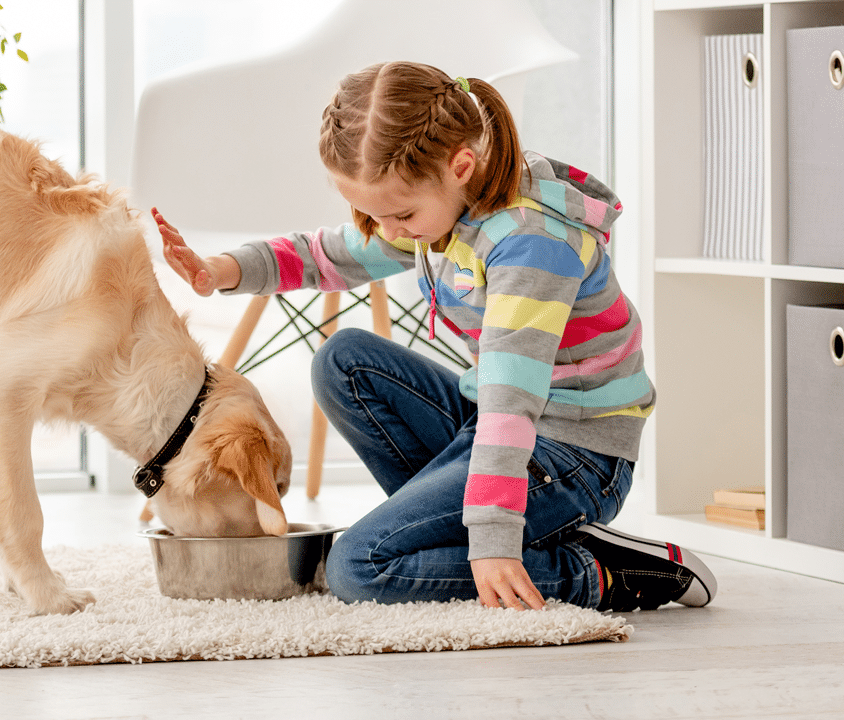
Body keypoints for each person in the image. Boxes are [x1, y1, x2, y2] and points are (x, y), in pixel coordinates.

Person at [153, 61, 717, 613]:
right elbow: (337, 252)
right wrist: (222, 270)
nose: (389, 232)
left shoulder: (531, 245)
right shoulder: (446, 205)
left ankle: (600, 573)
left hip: (576, 454)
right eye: (373, 214)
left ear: (461, 165)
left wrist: (492, 535)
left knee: (359, 566)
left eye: (399, 214)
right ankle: (489, 534)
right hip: (501, 429)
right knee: (344, 359)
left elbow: (510, 403)